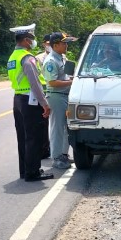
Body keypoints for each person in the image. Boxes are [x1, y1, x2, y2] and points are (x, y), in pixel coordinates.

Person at [7, 23, 54, 182]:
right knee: (34, 137)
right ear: (26, 40)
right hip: (30, 100)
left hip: (18, 99)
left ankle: (25, 170)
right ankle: (33, 172)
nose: (32, 43)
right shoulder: (27, 58)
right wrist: (45, 104)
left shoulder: (13, 57)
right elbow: (35, 83)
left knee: (23, 137)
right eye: (31, 40)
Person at [43, 31, 78, 169]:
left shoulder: (61, 57)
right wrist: (72, 82)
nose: (66, 45)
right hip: (56, 96)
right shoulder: (51, 60)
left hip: (64, 96)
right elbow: (52, 82)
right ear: (56, 45)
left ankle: (63, 154)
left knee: (66, 127)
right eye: (64, 43)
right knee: (57, 128)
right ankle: (56, 157)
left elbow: (64, 77)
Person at [35, 34, 52, 159]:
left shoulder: (62, 56)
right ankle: (44, 148)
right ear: (44, 44)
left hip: (57, 92)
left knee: (57, 123)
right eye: (47, 43)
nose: (49, 45)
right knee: (42, 123)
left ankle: (57, 149)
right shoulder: (38, 58)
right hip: (43, 92)